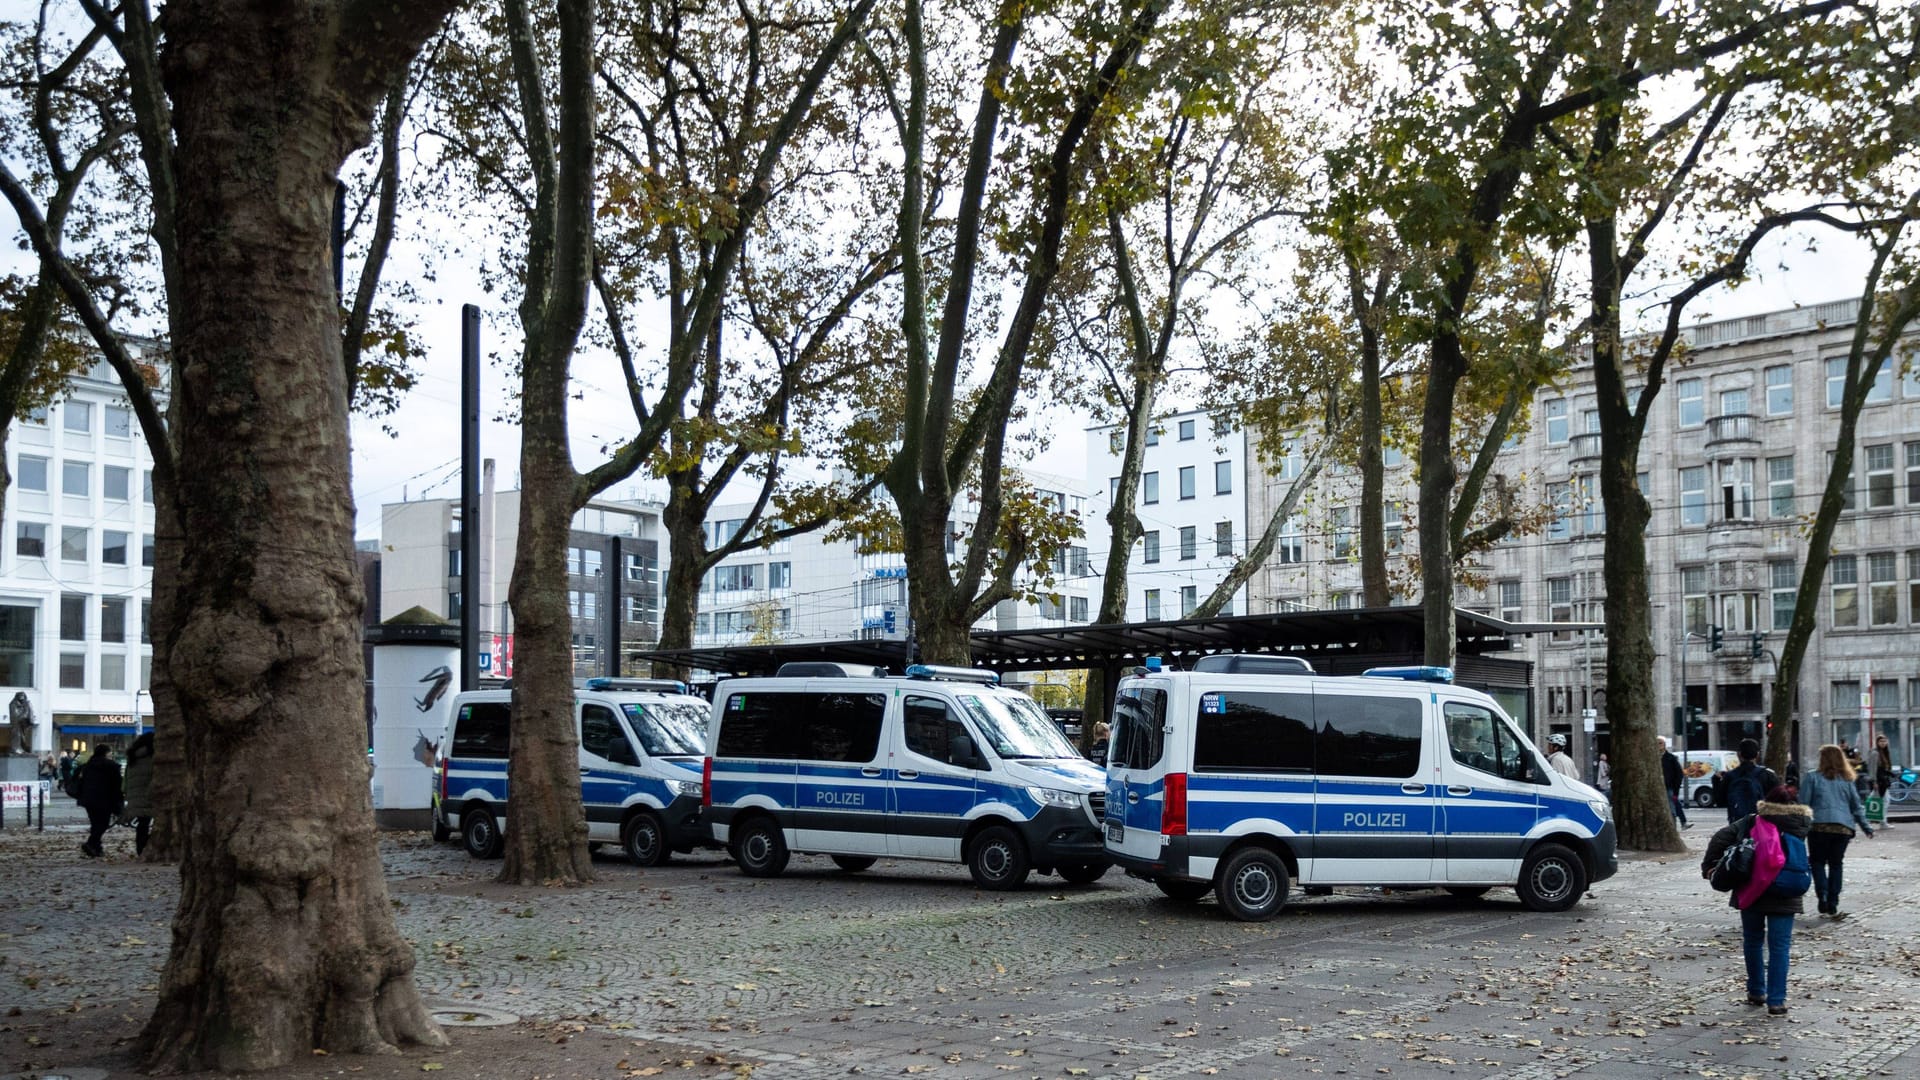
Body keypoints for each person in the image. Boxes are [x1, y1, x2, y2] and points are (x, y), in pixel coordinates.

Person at [1702, 783, 1812, 1016]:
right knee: (1780, 946)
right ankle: (1777, 1000)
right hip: (1787, 890)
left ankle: (1756, 991)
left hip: (1752, 886)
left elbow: (1721, 838)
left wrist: (1710, 867)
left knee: (1753, 940)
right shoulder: (1800, 823)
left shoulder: (1752, 820)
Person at [1801, 744, 1874, 918]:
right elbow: (1856, 807)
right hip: (1842, 828)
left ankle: (1823, 895)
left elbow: (1803, 805)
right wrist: (1866, 827)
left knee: (1817, 862)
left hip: (1819, 827)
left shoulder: (1812, 777)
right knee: (1836, 863)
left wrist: (1799, 828)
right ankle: (1833, 900)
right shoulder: (1847, 780)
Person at [75, 742, 122, 858]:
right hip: (105, 799)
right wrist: (119, 802)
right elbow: (117, 785)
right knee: (103, 823)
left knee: (95, 823)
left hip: (88, 799)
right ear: (106, 753)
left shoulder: (87, 766)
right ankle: (91, 843)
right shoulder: (112, 766)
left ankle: (96, 847)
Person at [1723, 739, 1779, 824]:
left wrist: (1716, 780)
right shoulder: (1768, 774)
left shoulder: (1730, 776)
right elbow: (1778, 800)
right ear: (1757, 754)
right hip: (1762, 823)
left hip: (1737, 824)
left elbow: (1721, 800)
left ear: (1739, 754)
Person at [121, 732, 155, 856]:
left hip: (135, 795)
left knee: (143, 823)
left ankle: (141, 848)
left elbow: (127, 778)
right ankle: (144, 847)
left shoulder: (133, 757)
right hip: (148, 794)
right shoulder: (152, 757)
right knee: (146, 822)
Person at [1660, 737, 1692, 829]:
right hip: (1658, 787)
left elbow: (1679, 773)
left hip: (1668, 786)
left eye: (1661, 743)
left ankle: (1677, 824)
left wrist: (1675, 788)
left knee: (1673, 805)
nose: (1658, 745)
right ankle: (1683, 822)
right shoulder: (1652, 758)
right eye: (1657, 743)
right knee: (1675, 803)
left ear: (1665, 745)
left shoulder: (1671, 758)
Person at [1869, 734, 1895, 829]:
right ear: (1877, 742)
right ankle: (1868, 822)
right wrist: (1874, 782)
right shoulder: (1875, 753)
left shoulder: (1884, 752)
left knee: (1883, 800)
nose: (1883, 743)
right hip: (1878, 781)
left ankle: (1882, 822)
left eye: (1884, 741)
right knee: (1873, 801)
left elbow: (1884, 768)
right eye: (1881, 741)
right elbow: (1872, 768)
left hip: (1882, 780)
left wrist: (1889, 773)